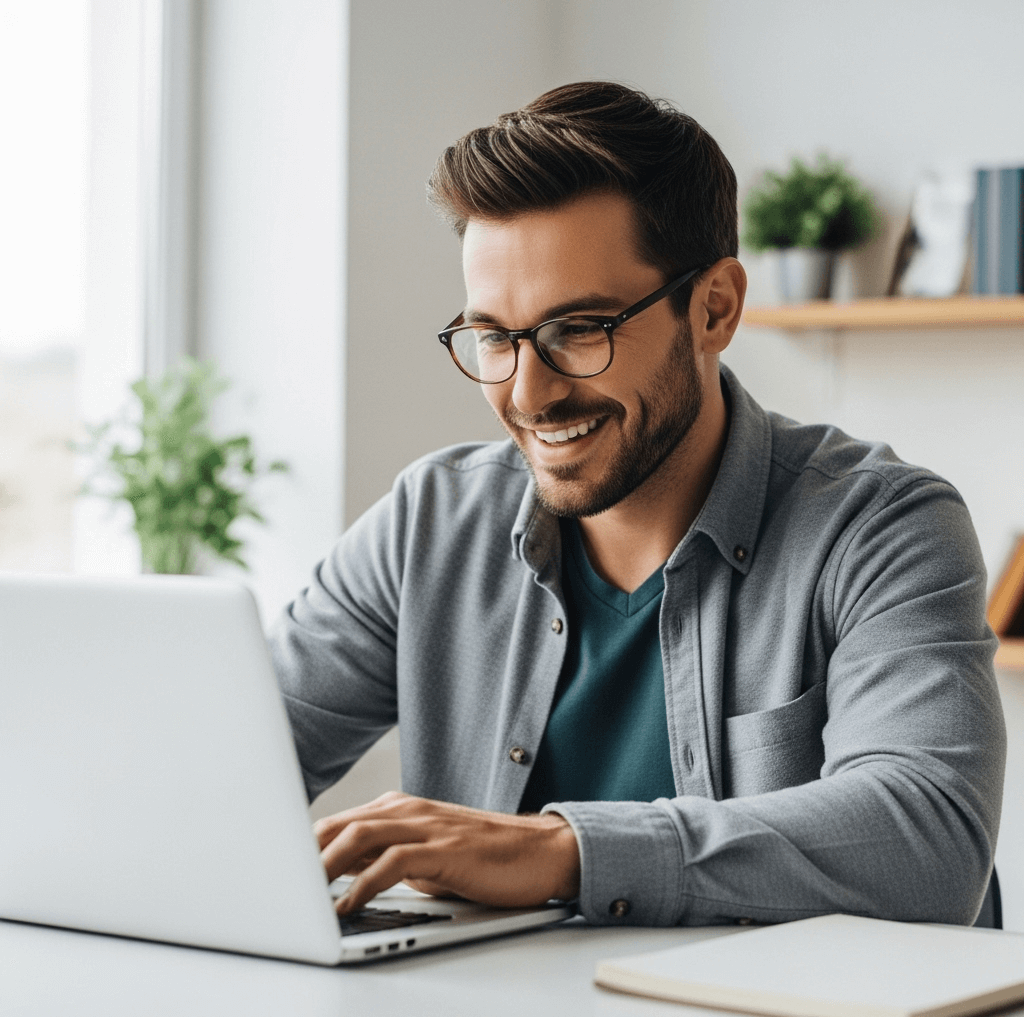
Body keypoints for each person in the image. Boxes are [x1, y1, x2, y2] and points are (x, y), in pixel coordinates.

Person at [268, 81, 1006, 928]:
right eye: (495, 338)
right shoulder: (428, 524)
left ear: (715, 309)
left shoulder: (883, 527)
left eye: (580, 329)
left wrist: (559, 852)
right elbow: (224, 766)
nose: (528, 392)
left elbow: (929, 844)